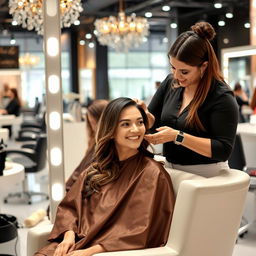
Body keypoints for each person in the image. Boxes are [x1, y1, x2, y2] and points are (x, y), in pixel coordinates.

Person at [35, 97, 175, 256]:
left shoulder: (153, 174)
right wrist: (68, 236)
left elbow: (142, 232)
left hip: (110, 251)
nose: (136, 129)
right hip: (77, 244)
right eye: (126, 124)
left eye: (140, 122)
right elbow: (70, 207)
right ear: (111, 131)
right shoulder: (97, 168)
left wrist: (92, 251)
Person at [141, 21, 239, 178]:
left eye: (184, 72)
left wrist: (178, 136)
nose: (177, 76)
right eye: (173, 68)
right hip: (171, 171)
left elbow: (223, 150)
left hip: (207, 176)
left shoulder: (221, 96)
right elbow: (154, 121)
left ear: (204, 66)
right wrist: (143, 115)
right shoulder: (170, 82)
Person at [65, 99, 108, 192]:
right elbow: (80, 172)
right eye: (91, 123)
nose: (93, 128)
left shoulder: (107, 148)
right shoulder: (95, 144)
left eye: (95, 123)